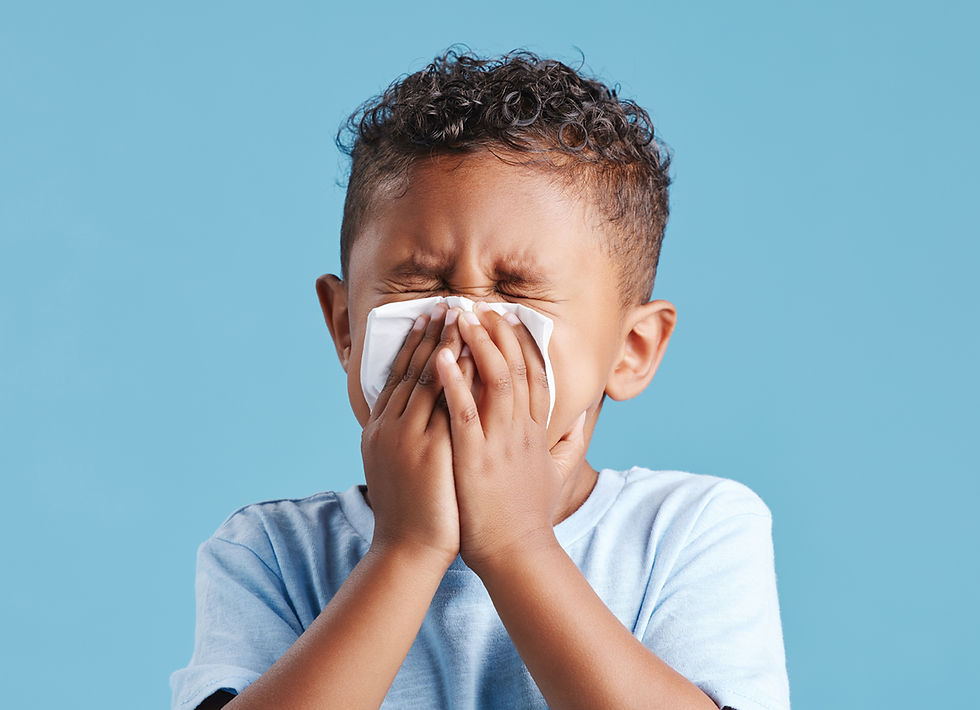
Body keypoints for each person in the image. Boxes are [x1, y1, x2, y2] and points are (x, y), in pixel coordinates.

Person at [170, 46, 790, 710]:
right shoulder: (273, 552)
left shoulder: (689, 529)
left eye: (518, 291)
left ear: (631, 350)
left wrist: (516, 544)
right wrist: (407, 550)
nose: (464, 324)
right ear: (346, 326)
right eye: (421, 282)